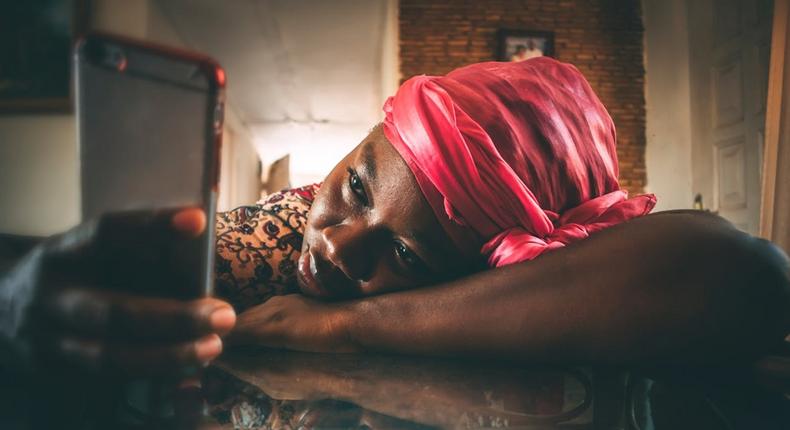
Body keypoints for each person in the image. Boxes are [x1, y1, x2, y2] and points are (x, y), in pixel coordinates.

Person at [1, 58, 788, 376]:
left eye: (407, 256)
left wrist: (341, 328)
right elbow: (82, 277)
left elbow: (743, 275)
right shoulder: (282, 233)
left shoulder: (534, 300)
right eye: (356, 185)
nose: (337, 244)